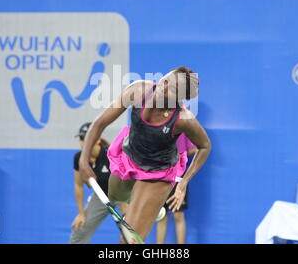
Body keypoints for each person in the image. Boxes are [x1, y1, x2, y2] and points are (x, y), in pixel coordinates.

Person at [79, 66, 212, 243]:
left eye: (172, 89)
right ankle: (151, 209)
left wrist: (184, 182)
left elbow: (205, 146)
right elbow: (100, 123)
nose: (162, 87)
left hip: (158, 172)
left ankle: (149, 206)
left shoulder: (183, 119)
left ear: (180, 98)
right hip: (130, 157)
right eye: (165, 80)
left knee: (128, 240)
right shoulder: (137, 90)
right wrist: (84, 159)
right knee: (115, 196)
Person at [69, 122, 126, 244]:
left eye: (86, 138)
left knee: (129, 234)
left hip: (123, 194)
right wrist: (81, 213)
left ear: (98, 140)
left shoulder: (110, 155)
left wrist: (126, 215)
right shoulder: (78, 158)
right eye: (81, 138)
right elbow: (78, 185)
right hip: (101, 196)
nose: (83, 142)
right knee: (80, 228)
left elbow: (125, 182)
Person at [157, 134, 197, 244]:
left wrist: (178, 154)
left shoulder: (183, 130)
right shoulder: (158, 129)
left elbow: (194, 149)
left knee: (178, 214)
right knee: (162, 215)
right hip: (160, 176)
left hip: (178, 177)